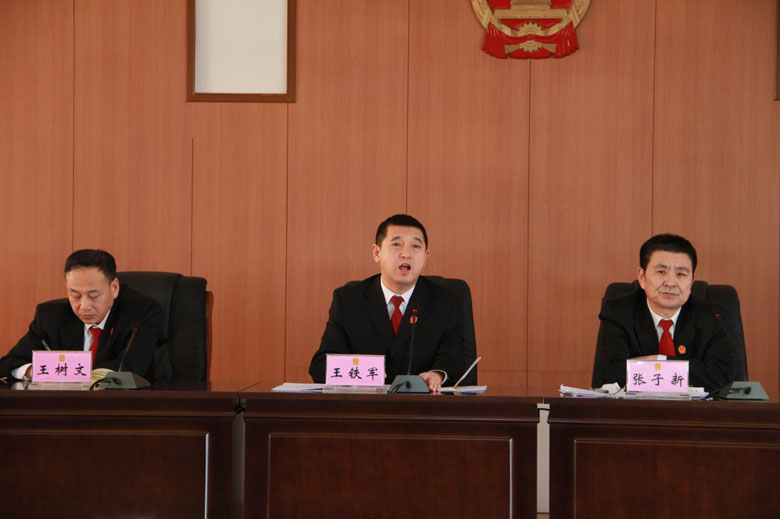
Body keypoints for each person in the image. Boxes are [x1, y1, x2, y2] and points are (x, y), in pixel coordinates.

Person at [309, 214, 468, 392]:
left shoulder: (447, 302)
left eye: (415, 246)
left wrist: (437, 375)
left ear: (425, 256)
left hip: (425, 402)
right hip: (365, 404)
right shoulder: (348, 300)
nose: (406, 254)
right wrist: (364, 370)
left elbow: (455, 359)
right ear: (377, 253)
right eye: (397, 244)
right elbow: (321, 365)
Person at [591, 234, 743, 392]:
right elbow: (613, 373)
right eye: (661, 272)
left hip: (697, 407)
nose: (670, 283)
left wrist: (658, 360)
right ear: (642, 277)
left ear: (692, 281)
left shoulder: (713, 315)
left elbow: (723, 376)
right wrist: (689, 369)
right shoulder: (618, 311)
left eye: (681, 274)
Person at [0, 249, 162, 381]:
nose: (84, 306)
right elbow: (9, 363)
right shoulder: (50, 316)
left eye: (94, 296)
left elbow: (131, 368)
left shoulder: (141, 312)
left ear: (114, 288)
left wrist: (73, 373)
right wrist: (35, 371)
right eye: (75, 295)